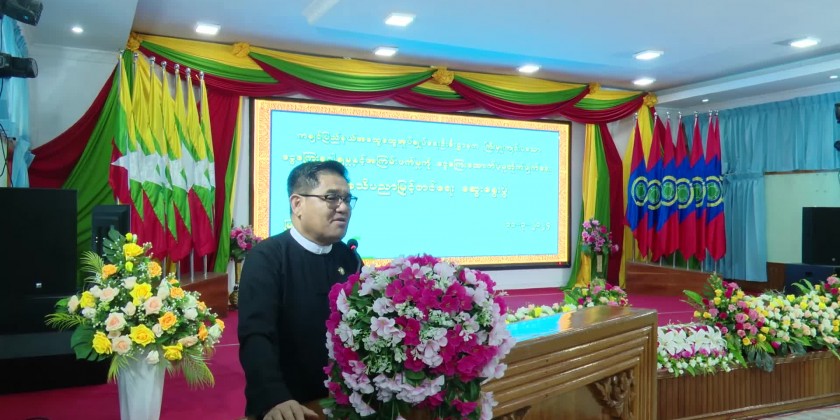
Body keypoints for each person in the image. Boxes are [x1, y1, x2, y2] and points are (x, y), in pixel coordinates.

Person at [238, 160, 360, 420]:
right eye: (332, 198)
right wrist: (275, 397)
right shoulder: (268, 257)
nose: (343, 207)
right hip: (289, 403)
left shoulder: (349, 258)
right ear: (297, 204)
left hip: (346, 400)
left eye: (347, 199)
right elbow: (257, 335)